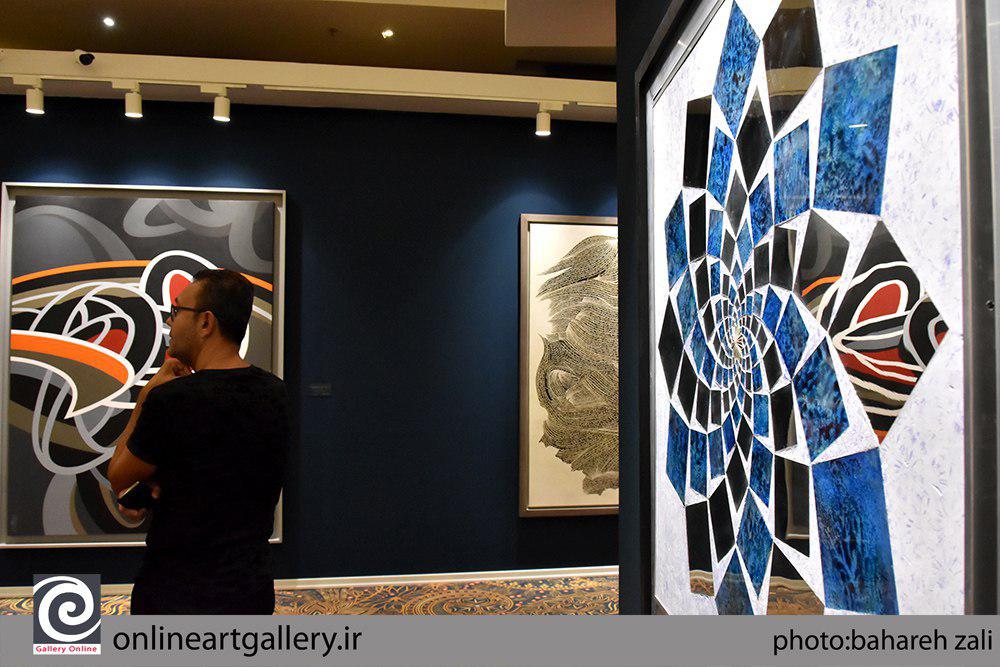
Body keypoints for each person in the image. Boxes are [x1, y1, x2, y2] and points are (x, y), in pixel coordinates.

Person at [108, 268, 289, 615]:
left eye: (177, 311)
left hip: (176, 596)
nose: (170, 321)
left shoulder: (171, 399)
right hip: (250, 591)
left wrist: (146, 395)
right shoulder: (275, 393)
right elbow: (217, 471)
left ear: (205, 322)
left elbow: (118, 475)